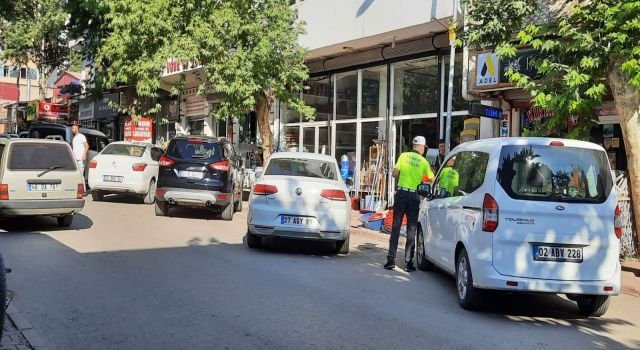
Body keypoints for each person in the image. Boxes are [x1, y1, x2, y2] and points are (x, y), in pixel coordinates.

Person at [385, 136, 434, 271]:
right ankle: (408, 263)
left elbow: (395, 173)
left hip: (401, 195)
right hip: (414, 197)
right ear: (422, 148)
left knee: (396, 227)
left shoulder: (403, 156)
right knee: (411, 229)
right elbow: (432, 179)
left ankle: (390, 260)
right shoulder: (424, 162)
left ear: (413, 145)